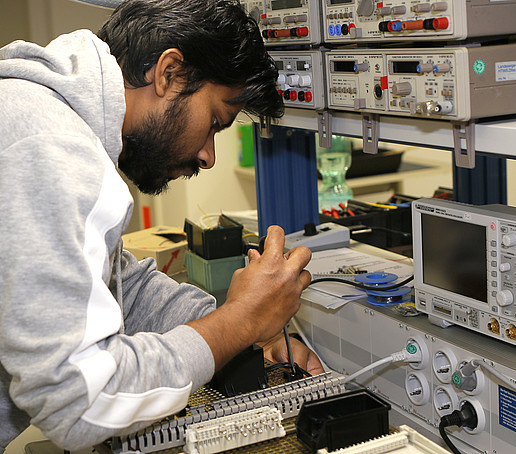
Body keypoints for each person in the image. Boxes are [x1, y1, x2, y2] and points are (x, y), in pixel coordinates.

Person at [0, 0, 323, 451]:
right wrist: (237, 322)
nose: (209, 156)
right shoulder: (52, 151)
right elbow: (82, 400)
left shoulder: (45, 117)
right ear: (169, 74)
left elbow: (116, 286)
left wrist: (246, 332)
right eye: (214, 122)